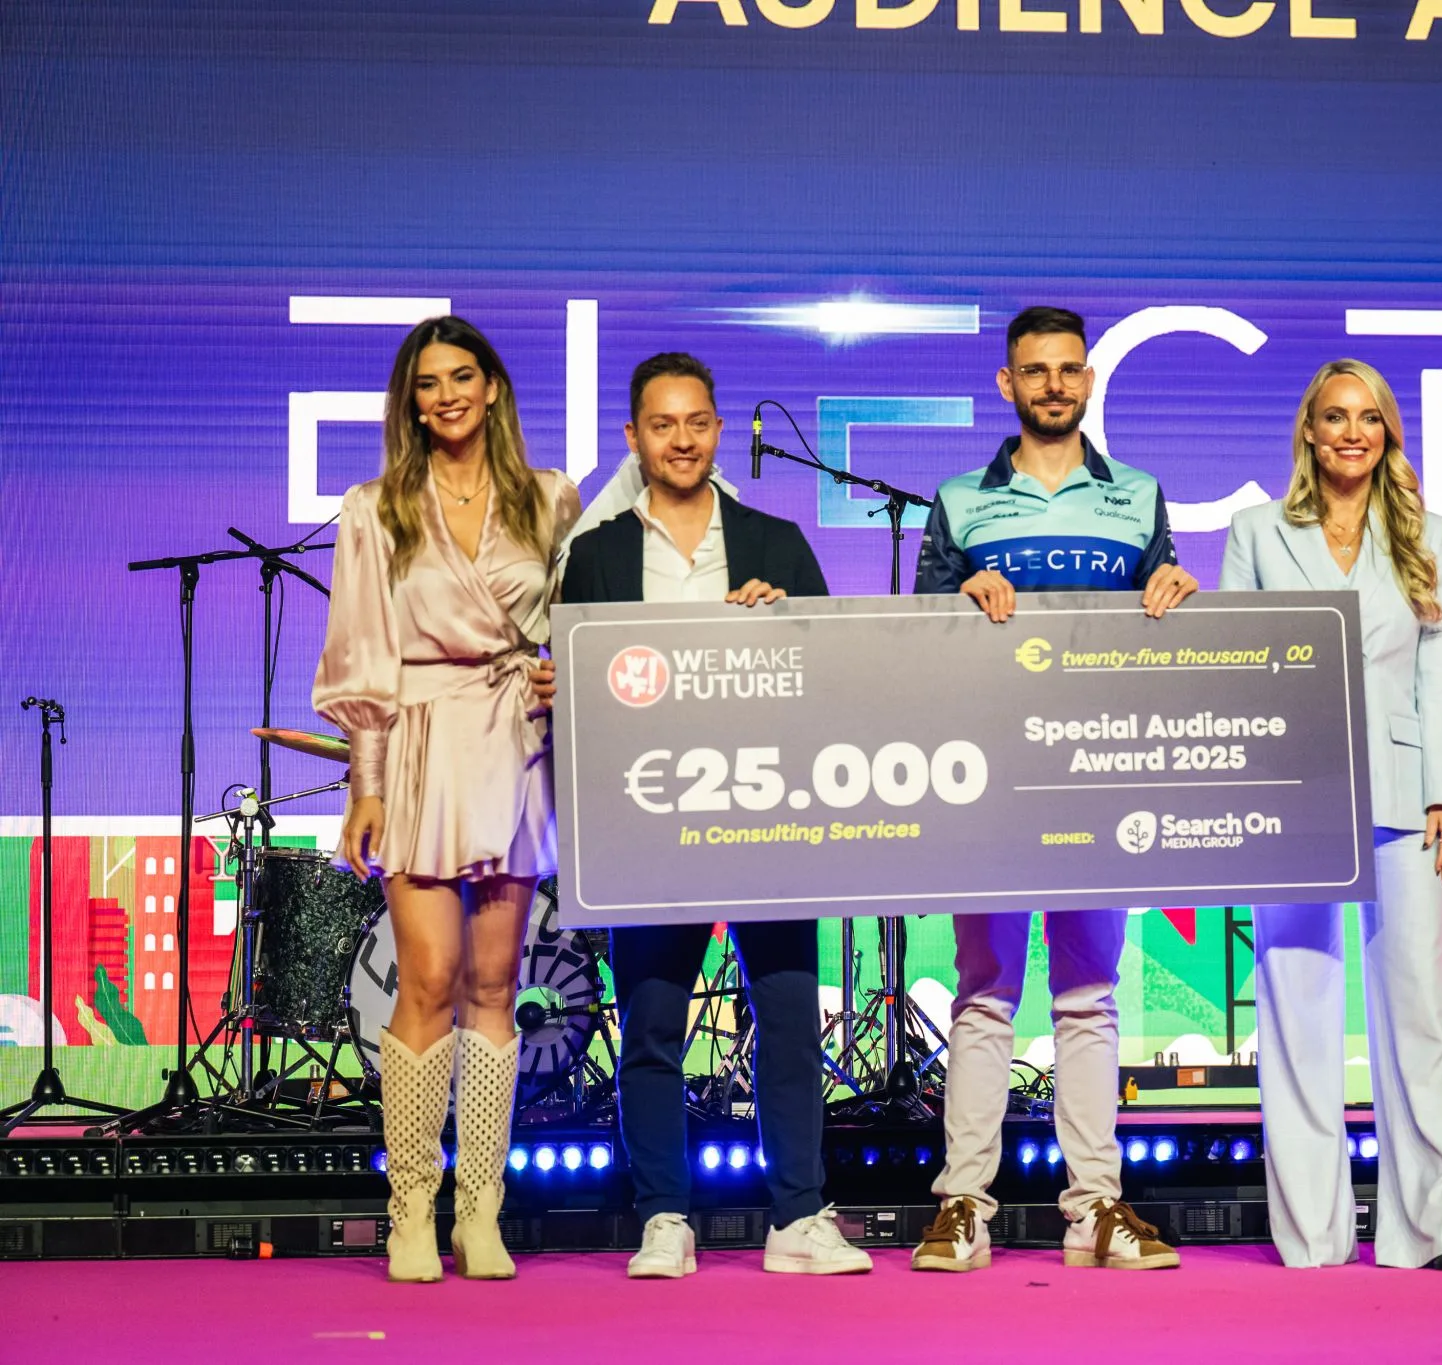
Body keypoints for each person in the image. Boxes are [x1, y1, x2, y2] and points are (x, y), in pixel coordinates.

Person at [559, 351, 871, 1279]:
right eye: (663, 425)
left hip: (769, 818)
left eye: (697, 422)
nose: (682, 440)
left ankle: (799, 1216)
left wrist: (784, 622)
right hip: (651, 824)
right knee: (651, 1023)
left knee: (788, 1018)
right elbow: (578, 698)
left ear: (718, 430)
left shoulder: (775, 542)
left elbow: (836, 675)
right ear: (634, 437)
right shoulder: (598, 554)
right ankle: (664, 1217)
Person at [909, 306, 1198, 1273]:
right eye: (1035, 370)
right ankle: (963, 1206)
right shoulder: (959, 500)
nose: (1055, 385)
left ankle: (1096, 1210)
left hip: (1097, 778)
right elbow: (913, 640)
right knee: (985, 993)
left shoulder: (1138, 496)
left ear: (1088, 379)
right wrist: (956, 599)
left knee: (1089, 995)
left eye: (1069, 369)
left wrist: (1178, 594)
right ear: (1007, 383)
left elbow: (1165, 631)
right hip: (988, 778)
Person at [314, 315, 583, 1283]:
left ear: (493, 385)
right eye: (427, 384)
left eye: (461, 376)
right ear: (412, 403)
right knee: (427, 978)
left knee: (498, 985)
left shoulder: (551, 498)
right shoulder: (374, 507)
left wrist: (563, 671)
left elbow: (583, 621)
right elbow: (361, 655)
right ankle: (410, 1211)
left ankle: (480, 1211)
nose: (447, 396)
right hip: (419, 741)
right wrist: (366, 785)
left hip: (515, 741)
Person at [1219, 359, 1442, 1272]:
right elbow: (1233, 668)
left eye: (1369, 418)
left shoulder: (1424, 533)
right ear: (1309, 429)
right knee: (1296, 1009)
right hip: (1292, 794)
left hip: (1406, 792)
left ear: (1387, 434)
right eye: (1335, 416)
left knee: (1423, 1007)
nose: (1352, 433)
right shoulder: (1256, 532)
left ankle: (1441, 1225)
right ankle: (1312, 1235)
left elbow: (1441, 668)